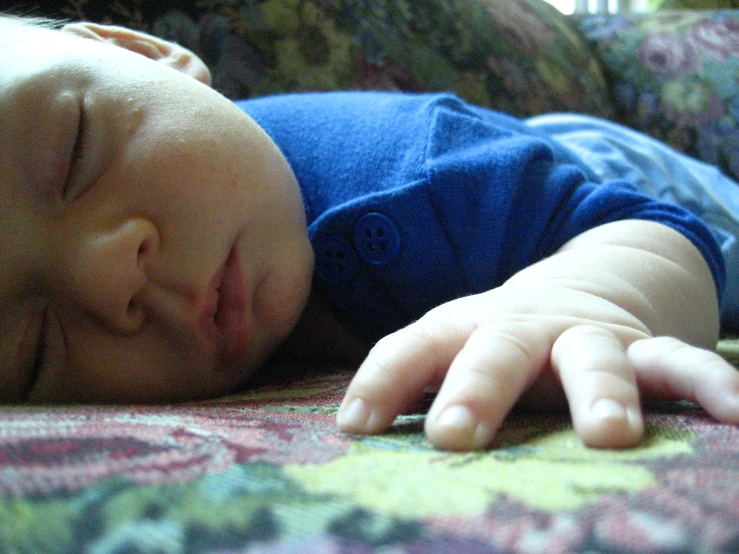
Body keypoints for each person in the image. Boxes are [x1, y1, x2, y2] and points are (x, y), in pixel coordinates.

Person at [2, 15, 739, 453]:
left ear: (142, 52)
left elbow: (648, 228)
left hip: (594, 170)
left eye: (74, 150)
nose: (107, 278)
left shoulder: (420, 173)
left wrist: (580, 294)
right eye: (34, 349)